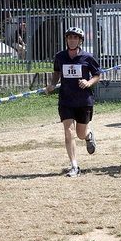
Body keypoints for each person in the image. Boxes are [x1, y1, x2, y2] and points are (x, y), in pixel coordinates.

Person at [45, 27, 101, 177]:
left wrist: (89, 83)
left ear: (80, 41)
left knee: (80, 134)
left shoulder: (87, 57)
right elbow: (57, 72)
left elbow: (97, 74)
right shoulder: (60, 56)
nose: (72, 40)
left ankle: (89, 136)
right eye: (69, 37)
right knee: (68, 131)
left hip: (84, 100)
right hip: (66, 100)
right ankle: (74, 166)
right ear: (66, 40)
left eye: (75, 38)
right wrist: (52, 84)